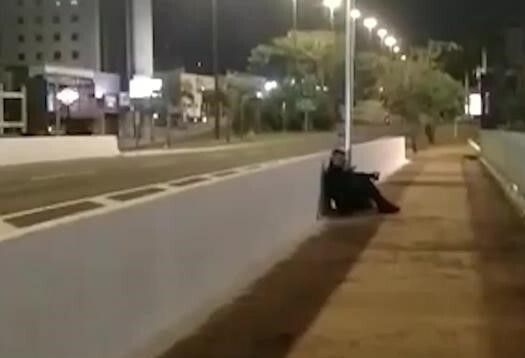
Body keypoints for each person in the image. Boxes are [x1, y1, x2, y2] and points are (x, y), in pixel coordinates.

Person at [323, 149, 400, 216]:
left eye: (342, 159)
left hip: (346, 198)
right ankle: (382, 204)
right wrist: (368, 176)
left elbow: (352, 178)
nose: (341, 161)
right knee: (365, 183)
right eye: (339, 159)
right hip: (343, 203)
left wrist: (369, 175)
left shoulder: (338, 172)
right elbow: (343, 185)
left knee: (364, 183)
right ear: (332, 159)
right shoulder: (332, 173)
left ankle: (381, 204)